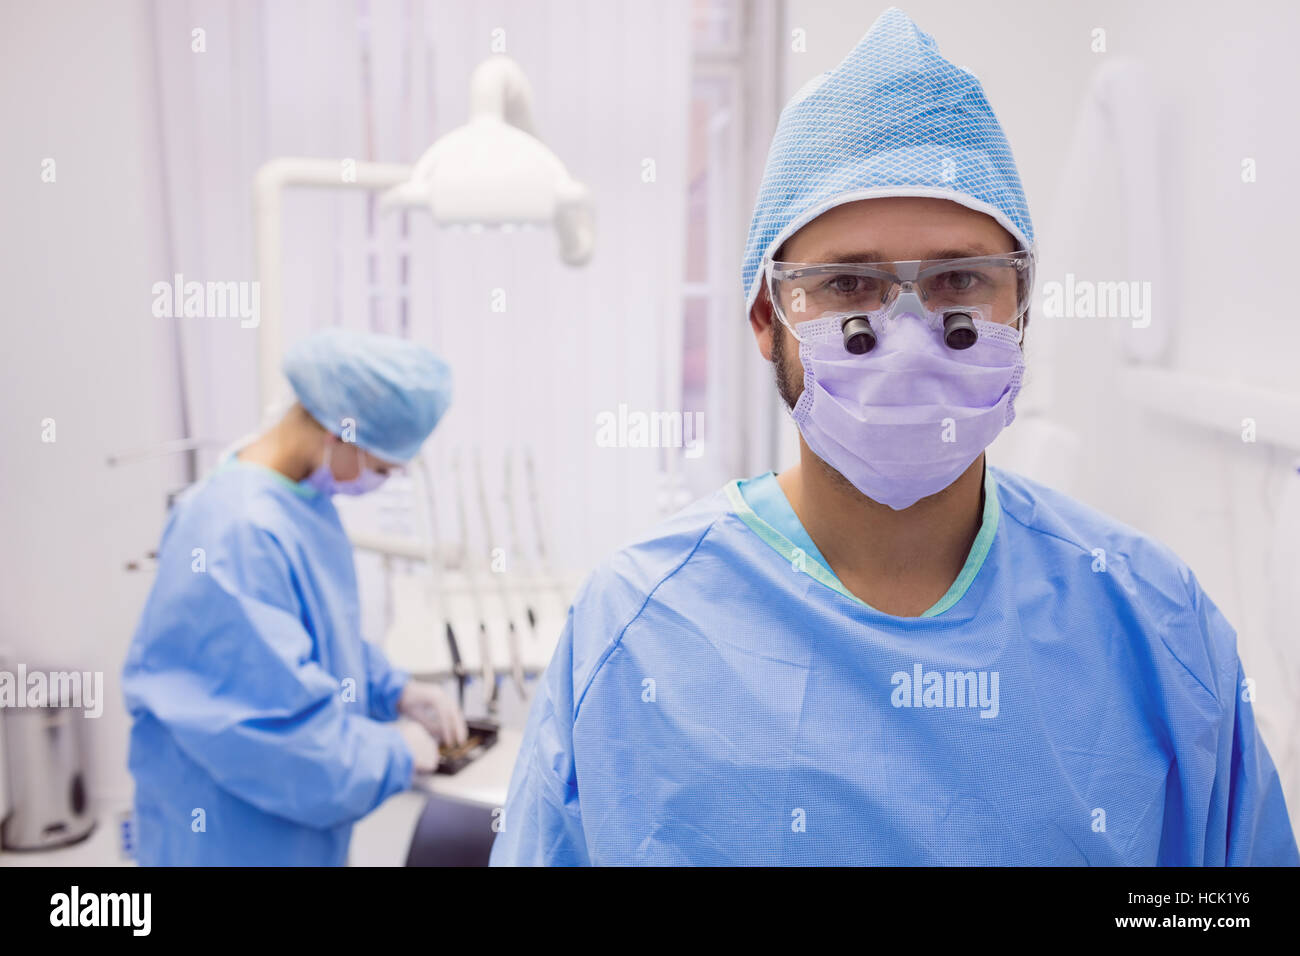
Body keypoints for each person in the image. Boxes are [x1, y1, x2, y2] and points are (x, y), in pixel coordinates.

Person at [490, 8, 1300, 865]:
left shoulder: (1155, 625)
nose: (908, 338)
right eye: (849, 286)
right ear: (768, 319)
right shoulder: (638, 627)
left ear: (1020, 309)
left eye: (958, 279)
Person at [123, 329, 468, 866]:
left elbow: (313, 640)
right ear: (339, 434)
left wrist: (393, 690)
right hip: (228, 836)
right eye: (381, 468)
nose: (381, 481)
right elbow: (275, 735)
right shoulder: (236, 532)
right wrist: (392, 754)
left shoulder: (300, 503)